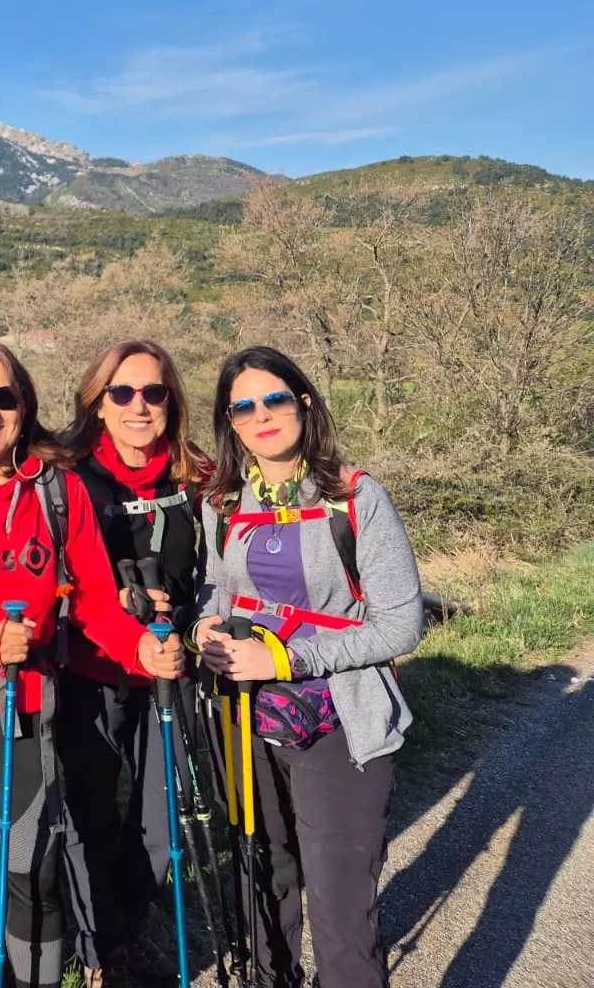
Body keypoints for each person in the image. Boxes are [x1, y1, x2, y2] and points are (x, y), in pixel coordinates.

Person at [0, 341, 184, 988]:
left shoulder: (58, 490)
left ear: (24, 405)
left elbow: (92, 599)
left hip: (25, 696)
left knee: (32, 859)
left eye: (3, 398)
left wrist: (139, 645)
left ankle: (35, 978)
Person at [195, 346, 423, 988]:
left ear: (305, 403)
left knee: (340, 908)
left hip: (339, 722)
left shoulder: (356, 497)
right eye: (243, 407)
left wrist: (288, 657)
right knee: (263, 882)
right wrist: (201, 630)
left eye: (274, 399)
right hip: (245, 718)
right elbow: (215, 595)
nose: (261, 416)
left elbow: (401, 624)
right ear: (230, 423)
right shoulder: (222, 503)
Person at [54, 340, 209, 986]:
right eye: (121, 392)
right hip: (93, 671)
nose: (138, 406)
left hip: (173, 666)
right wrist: (107, 597)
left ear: (172, 401)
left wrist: (194, 616)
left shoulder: (196, 476)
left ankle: (131, 925)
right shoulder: (70, 478)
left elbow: (223, 564)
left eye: (153, 392)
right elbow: (55, 574)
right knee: (90, 814)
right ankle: (100, 951)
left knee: (160, 816)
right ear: (98, 403)